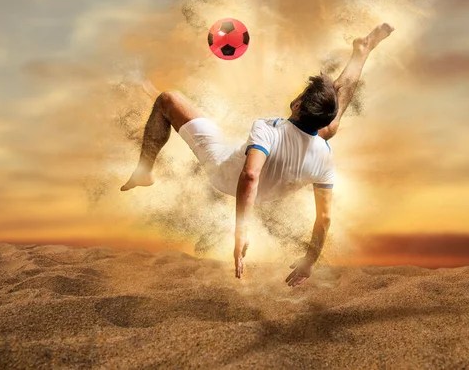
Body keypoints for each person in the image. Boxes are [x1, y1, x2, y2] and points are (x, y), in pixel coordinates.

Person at [121, 23, 394, 286]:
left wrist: (241, 232)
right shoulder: (325, 155)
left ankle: (144, 171)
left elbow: (250, 175)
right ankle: (362, 51)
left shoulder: (269, 128)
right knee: (332, 125)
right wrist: (310, 260)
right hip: (270, 192)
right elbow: (324, 219)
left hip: (223, 171)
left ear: (297, 103)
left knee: (167, 100)